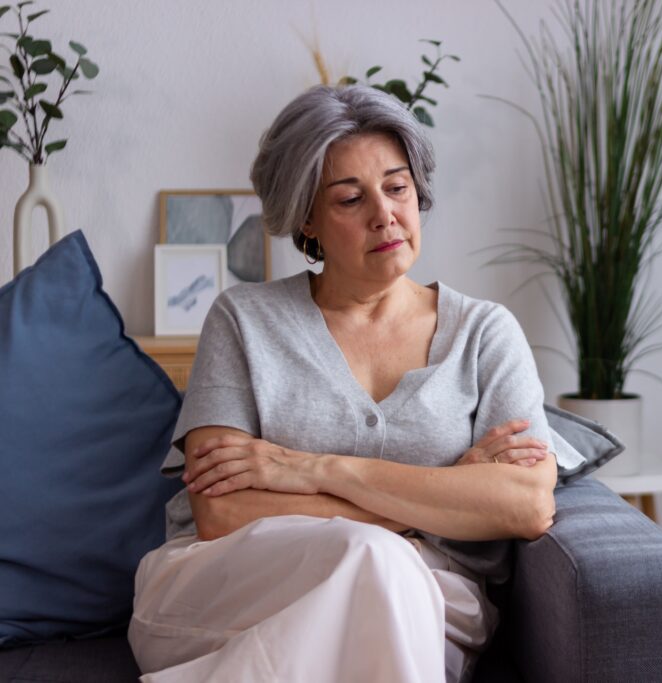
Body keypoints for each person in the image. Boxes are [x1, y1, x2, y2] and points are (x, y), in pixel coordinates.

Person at [127, 84, 586, 683]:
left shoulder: (484, 333)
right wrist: (445, 494)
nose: (384, 214)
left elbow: (526, 503)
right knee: (376, 559)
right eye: (350, 198)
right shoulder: (243, 319)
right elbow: (221, 510)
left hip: (429, 604)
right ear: (307, 219)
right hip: (226, 591)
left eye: (397, 188)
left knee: (381, 574)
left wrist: (312, 469)